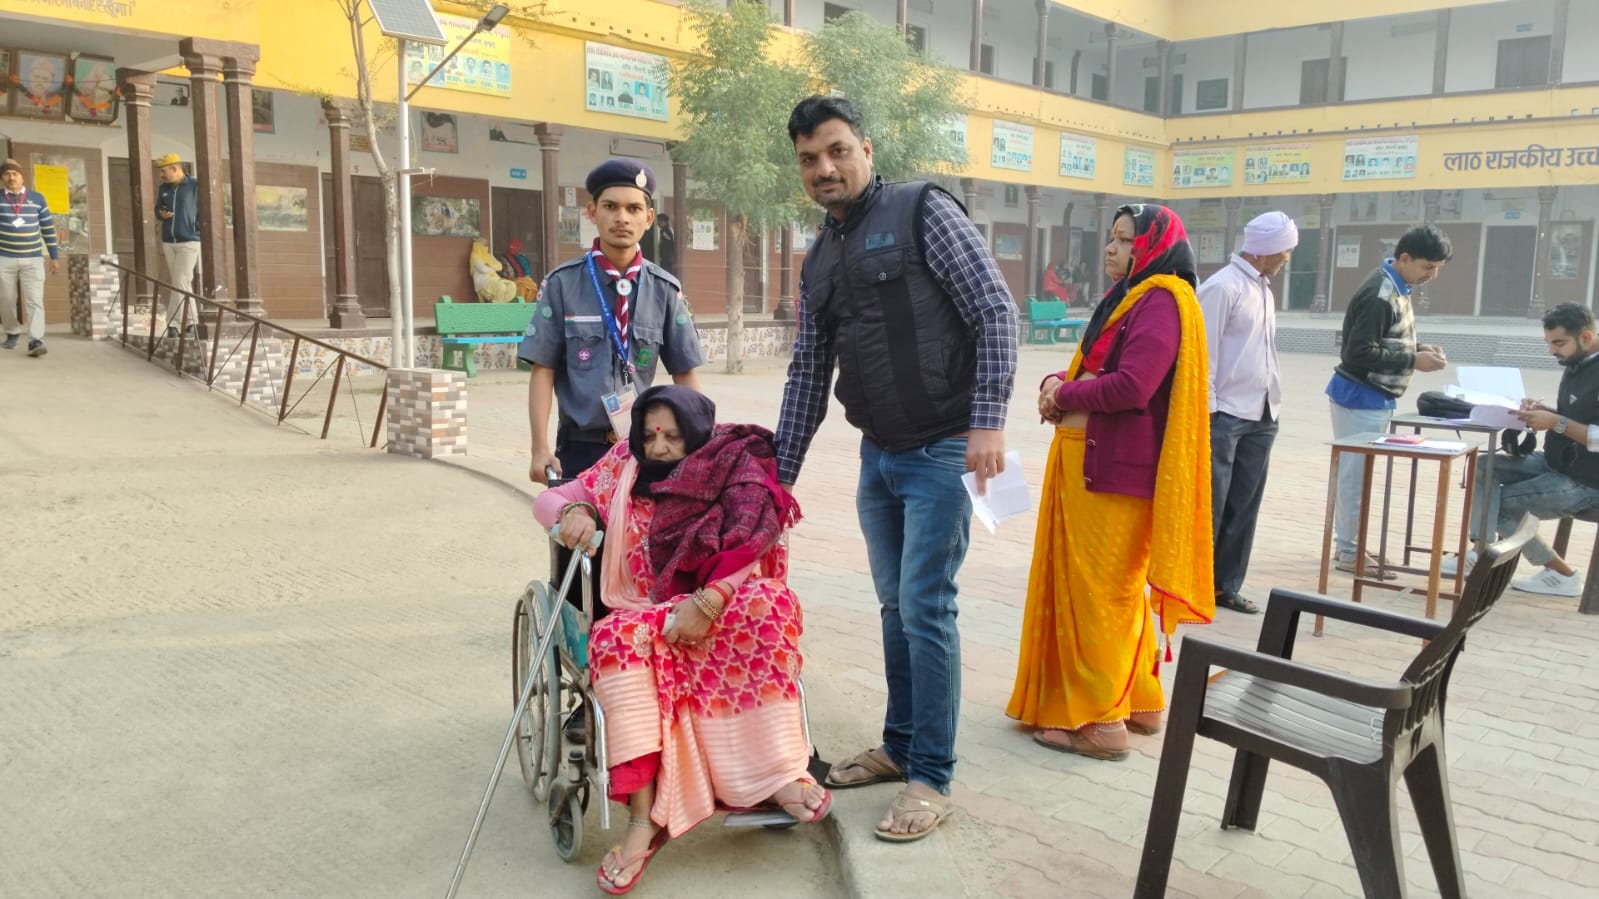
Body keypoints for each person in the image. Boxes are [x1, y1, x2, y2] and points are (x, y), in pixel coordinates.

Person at [776, 95, 1018, 842]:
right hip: (877, 455)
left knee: (925, 605)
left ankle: (930, 777)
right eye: (809, 159)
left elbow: (994, 309)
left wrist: (987, 420)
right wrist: (775, 479)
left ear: (866, 149)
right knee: (894, 607)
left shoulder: (921, 212)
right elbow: (808, 369)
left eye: (837, 150)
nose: (824, 168)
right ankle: (901, 745)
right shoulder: (820, 257)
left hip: (944, 447)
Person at [533, 385, 829, 894]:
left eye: (672, 436)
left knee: (772, 605)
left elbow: (753, 537)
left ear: (696, 433)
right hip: (643, 610)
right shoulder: (621, 466)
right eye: (649, 436)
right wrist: (571, 513)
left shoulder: (731, 463)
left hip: (720, 600)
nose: (659, 447)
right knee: (615, 642)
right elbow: (549, 497)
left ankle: (778, 775)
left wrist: (708, 603)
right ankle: (643, 821)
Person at [1007, 204, 1213, 761]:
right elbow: (1094, 368)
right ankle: (1140, 700)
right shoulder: (1130, 297)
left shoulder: (1162, 300)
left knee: (1100, 595)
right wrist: (1056, 382)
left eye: (1125, 240)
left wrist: (1065, 394)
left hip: (1113, 474)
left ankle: (1101, 723)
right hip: (1091, 464)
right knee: (1107, 591)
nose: (1112, 249)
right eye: (1113, 238)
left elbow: (1133, 386)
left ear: (1153, 247)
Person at [519, 159, 704, 485]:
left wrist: (700, 447)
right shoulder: (562, 284)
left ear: (648, 218)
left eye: (634, 208)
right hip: (579, 449)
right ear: (592, 212)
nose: (622, 217)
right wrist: (539, 449)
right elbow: (543, 370)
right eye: (610, 206)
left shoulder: (664, 289)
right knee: (576, 521)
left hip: (644, 449)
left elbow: (684, 373)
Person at [1443, 304, 1599, 597]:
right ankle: (1480, 550)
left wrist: (1556, 422)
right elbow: (1577, 417)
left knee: (1498, 505)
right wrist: (1542, 412)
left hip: (1588, 481)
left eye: (1559, 343)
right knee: (1483, 465)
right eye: (1548, 343)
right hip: (1556, 463)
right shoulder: (1577, 363)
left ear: (1586, 337)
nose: (1552, 351)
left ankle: (1561, 573)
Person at [1327, 225, 1451, 575]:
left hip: (1373, 397)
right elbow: (1357, 352)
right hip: (1359, 396)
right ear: (1405, 258)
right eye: (1428, 267)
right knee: (1355, 478)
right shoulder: (1380, 294)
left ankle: (1349, 545)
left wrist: (1417, 348)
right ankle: (1349, 552)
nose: (1432, 276)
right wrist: (1413, 359)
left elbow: (1383, 339)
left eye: (1437, 269)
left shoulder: (1396, 286)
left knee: (1359, 476)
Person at [1200, 211, 1298, 614]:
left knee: (1244, 506)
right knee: (1213, 506)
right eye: (1285, 250)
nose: (1288, 258)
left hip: (1262, 412)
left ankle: (1226, 586)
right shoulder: (1222, 288)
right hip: (1224, 413)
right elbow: (1202, 356)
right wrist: (1208, 413)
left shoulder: (1263, 288)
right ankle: (1196, 584)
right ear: (1264, 251)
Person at [0, 158, 61, 357]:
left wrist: (54, 256)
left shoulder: (37, 198)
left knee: (35, 300)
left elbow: (48, 228)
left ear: (22, 177)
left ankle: (35, 340)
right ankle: (12, 331)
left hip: (33, 258)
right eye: (7, 174)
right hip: (4, 258)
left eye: (15, 174)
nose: (11, 177)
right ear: (2, 178)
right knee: (6, 299)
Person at [154, 153, 201, 337]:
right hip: (169, 241)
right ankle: (184, 324)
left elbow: (206, 209)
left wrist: (196, 227)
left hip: (189, 241)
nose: (161, 175)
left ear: (175, 169)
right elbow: (157, 209)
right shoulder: (163, 188)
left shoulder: (195, 185)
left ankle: (182, 323)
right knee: (179, 283)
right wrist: (161, 213)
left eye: (163, 171)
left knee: (180, 281)